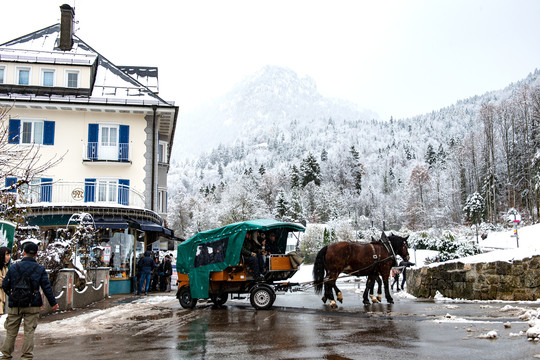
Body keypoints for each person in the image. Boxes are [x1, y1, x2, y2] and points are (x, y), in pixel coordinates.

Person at [1, 242, 59, 359]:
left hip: (15, 305)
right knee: (29, 332)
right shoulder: (39, 269)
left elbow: (5, 285)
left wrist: (13, 295)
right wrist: (53, 303)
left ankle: (5, 355)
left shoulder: (13, 267)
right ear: (36, 254)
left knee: (11, 332)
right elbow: (46, 287)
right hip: (32, 304)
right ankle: (26, 356)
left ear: (23, 252)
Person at [0, 247, 11, 315]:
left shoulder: (5, 268)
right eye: (7, 254)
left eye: (9, 255)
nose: (8, 257)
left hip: (2, 299)